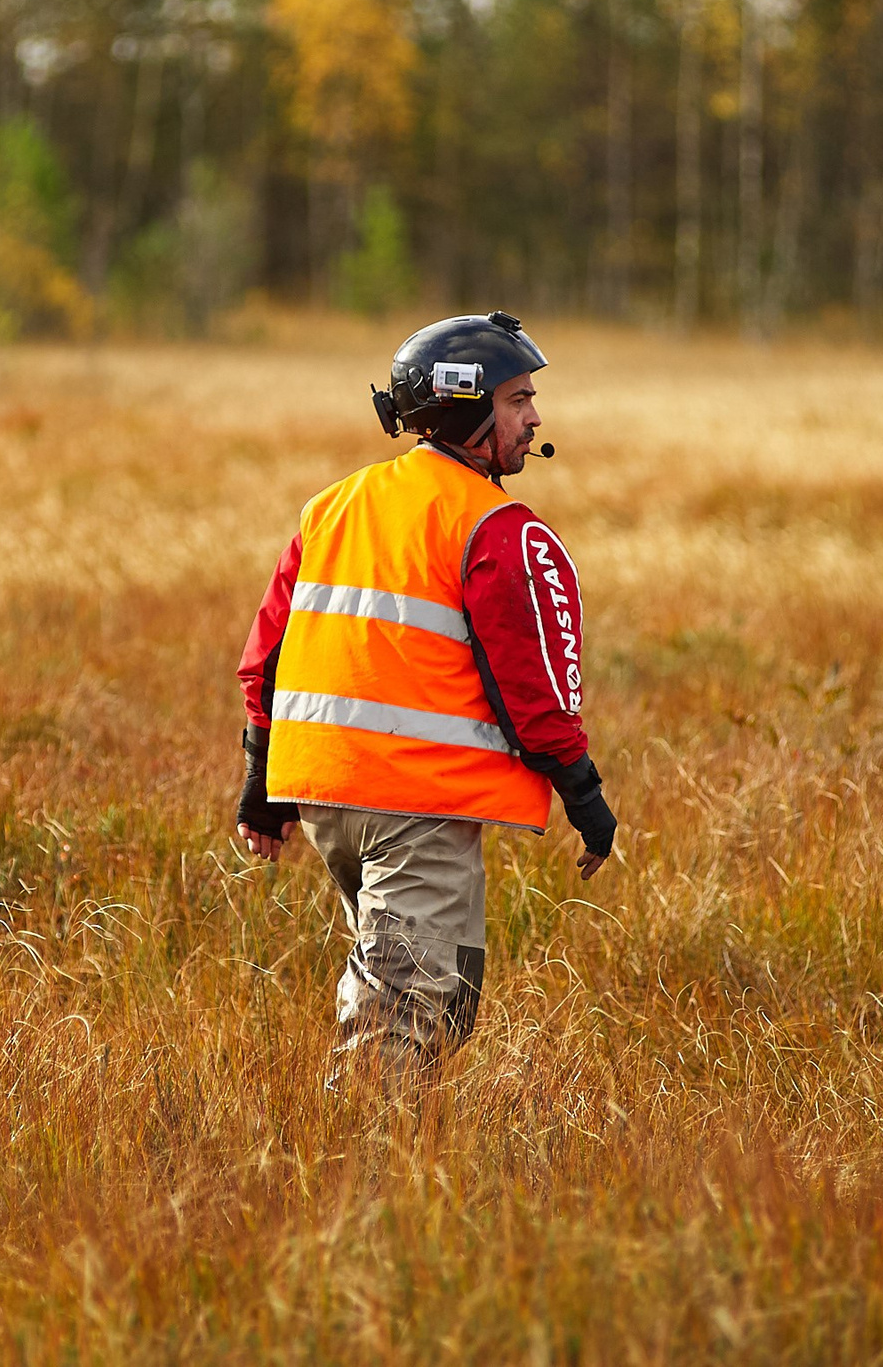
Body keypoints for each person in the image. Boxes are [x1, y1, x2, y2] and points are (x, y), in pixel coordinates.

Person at [234, 311, 617, 1082]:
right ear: (468, 413)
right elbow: (530, 683)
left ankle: (394, 1169)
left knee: (437, 995)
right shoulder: (491, 523)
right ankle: (358, 1185)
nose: (535, 417)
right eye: (517, 400)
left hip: (326, 799)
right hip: (418, 804)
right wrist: (584, 792)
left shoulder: (332, 506)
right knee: (403, 1016)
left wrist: (259, 783)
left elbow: (265, 657)